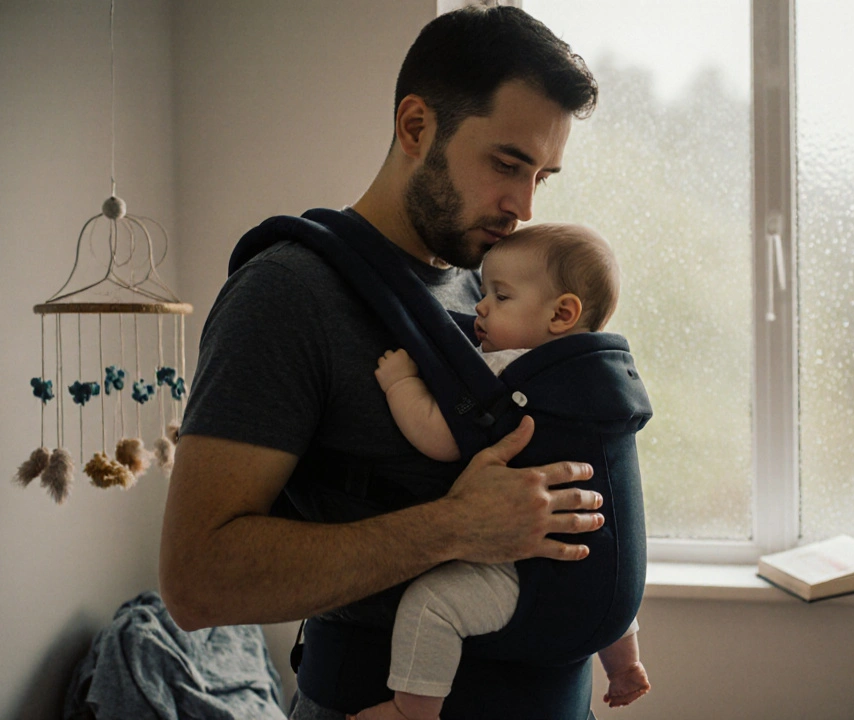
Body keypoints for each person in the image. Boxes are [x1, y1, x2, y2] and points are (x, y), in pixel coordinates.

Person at [159, 7, 612, 719]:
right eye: (506, 164)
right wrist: (454, 527)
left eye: (542, 178)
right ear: (415, 127)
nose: (523, 206)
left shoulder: (492, 290)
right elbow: (194, 582)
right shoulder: (286, 296)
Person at [356, 224, 650, 720]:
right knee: (606, 543)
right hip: (612, 589)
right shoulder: (609, 378)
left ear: (561, 314)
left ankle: (412, 710)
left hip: (535, 578)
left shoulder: (511, 371)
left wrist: (402, 383)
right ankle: (625, 667)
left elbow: (440, 436)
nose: (481, 307)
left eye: (501, 295)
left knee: (431, 606)